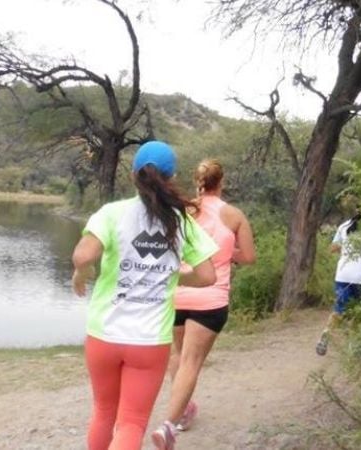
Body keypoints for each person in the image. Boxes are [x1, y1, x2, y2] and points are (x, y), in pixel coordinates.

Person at [72, 140, 219, 450]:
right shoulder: (182, 223)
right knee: (132, 423)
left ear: (134, 176)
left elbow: (84, 255)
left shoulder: (112, 213)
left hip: (104, 335)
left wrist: (80, 273)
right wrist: (174, 275)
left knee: (103, 413)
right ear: (172, 178)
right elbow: (208, 276)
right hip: (149, 341)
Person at [153, 159, 256, 448]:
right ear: (221, 182)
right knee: (191, 361)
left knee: (177, 354)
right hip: (210, 296)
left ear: (196, 181)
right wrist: (224, 251)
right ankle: (168, 425)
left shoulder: (183, 210)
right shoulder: (234, 215)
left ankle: (184, 413)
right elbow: (248, 257)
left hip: (178, 292)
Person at [316, 213, 361, 356]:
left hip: (343, 275)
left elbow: (332, 248)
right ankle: (357, 345)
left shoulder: (344, 226)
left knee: (339, 309)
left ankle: (326, 334)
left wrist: (346, 251)